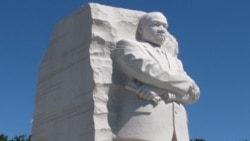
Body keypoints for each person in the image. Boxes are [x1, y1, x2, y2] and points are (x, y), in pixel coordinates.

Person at [113, 12, 200, 141]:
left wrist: (162, 91)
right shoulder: (128, 46)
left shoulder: (175, 61)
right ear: (141, 29)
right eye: (156, 25)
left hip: (178, 130)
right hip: (144, 126)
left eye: (165, 26)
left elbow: (194, 94)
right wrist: (186, 83)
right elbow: (150, 72)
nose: (162, 30)